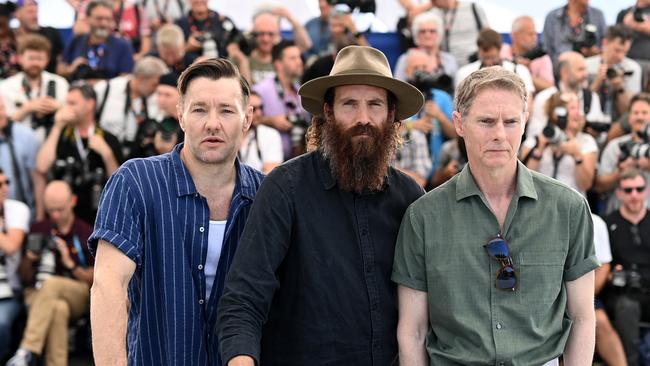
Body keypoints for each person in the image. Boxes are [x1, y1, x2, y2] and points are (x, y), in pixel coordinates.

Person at [217, 45, 425, 366]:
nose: (364, 119)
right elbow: (244, 298)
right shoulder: (285, 187)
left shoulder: (409, 197)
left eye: (375, 105)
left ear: (392, 115)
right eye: (349, 105)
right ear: (327, 113)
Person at [393, 66, 598, 365]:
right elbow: (413, 331)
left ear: (526, 122)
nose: (500, 134)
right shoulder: (423, 217)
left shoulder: (568, 208)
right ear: (459, 123)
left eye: (511, 121)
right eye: (487, 122)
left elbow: (582, 318)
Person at [89, 58, 264, 366]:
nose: (212, 123)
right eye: (199, 109)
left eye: (226, 110)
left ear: (247, 118)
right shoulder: (135, 182)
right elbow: (108, 285)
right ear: (180, 115)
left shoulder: (266, 195)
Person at [6, 181, 93, 366]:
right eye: (50, 210)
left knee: (52, 284)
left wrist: (70, 264)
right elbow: (24, 277)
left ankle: (26, 350)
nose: (55, 215)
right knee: (58, 309)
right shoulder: (39, 229)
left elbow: (96, 278)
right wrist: (29, 258)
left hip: (76, 292)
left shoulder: (86, 232)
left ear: (73, 201)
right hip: (38, 294)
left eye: (60, 209)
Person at [34, 83, 122, 224]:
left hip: (98, 215)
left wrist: (107, 154)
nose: (67, 107)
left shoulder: (108, 138)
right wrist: (57, 126)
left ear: (90, 104)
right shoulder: (61, 134)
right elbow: (41, 167)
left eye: (72, 103)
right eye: (66, 103)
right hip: (65, 217)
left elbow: (119, 182)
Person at [604, 168, 650, 365]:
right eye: (628, 190)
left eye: (639, 189)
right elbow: (602, 265)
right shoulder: (608, 223)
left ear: (646, 191)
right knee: (626, 307)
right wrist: (610, 275)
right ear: (619, 193)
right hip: (621, 292)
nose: (634, 195)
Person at [521, 92, 598, 196]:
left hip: (571, 206)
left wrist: (577, 156)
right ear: (556, 113)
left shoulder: (586, 142)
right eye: (572, 108)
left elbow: (585, 185)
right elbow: (524, 180)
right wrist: (539, 150)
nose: (578, 113)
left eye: (580, 109)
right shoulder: (537, 139)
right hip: (540, 204)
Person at [93, 56, 168, 157]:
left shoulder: (156, 99)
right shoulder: (106, 89)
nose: (156, 90)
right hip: (103, 153)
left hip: (137, 157)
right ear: (141, 78)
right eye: (154, 85)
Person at [1, 34, 68, 142]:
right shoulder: (6, 86)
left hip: (52, 143)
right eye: (31, 58)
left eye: (40, 58)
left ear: (47, 60)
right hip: (17, 144)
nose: (35, 63)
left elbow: (73, 116)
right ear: (20, 58)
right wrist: (27, 109)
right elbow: (2, 124)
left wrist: (59, 107)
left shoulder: (60, 83)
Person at [596, 93, 650, 215]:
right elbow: (599, 186)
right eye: (636, 113)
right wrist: (621, 172)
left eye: (645, 113)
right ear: (629, 117)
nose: (639, 117)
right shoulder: (615, 146)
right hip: (619, 215)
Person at [254, 40, 307, 160]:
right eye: (293, 58)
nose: (299, 62)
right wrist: (271, 121)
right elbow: (245, 120)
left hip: (299, 160)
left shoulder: (300, 90)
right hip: (269, 162)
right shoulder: (261, 90)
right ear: (278, 64)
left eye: (299, 57)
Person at [60, 0, 134, 80]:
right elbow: (60, 69)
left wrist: (102, 85)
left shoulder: (123, 45)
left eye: (108, 19)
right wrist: (71, 68)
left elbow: (126, 78)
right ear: (87, 18)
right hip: (77, 87)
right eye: (99, 19)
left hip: (109, 90)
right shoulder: (77, 40)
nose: (104, 24)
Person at [0, 169, 29, 361]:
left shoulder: (17, 209)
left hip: (8, 292)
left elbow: (11, 246)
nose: (5, 188)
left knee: (0, 323)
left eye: (6, 182)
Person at [586, 25, 642, 123]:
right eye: (617, 50)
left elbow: (632, 111)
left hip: (619, 120)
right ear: (605, 43)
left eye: (625, 52)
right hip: (590, 118)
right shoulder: (586, 66)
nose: (621, 57)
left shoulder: (632, 68)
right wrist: (597, 81)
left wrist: (620, 88)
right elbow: (583, 104)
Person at [393, 11, 457, 87]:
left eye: (432, 31)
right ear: (416, 34)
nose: (427, 35)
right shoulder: (405, 59)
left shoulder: (449, 59)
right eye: (422, 31)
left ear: (439, 34)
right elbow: (398, 87)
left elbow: (456, 89)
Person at [542, 0, 607, 65]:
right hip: (560, 68)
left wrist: (596, 51)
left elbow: (606, 45)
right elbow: (547, 48)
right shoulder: (553, 17)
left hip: (591, 66)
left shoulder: (597, 15)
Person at [501, 15, 555, 92]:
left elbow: (550, 87)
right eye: (530, 34)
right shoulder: (501, 51)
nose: (535, 38)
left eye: (535, 34)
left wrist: (524, 72)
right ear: (515, 35)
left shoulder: (542, 57)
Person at [430, 0, 489, 67]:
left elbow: (488, 35)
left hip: (474, 62)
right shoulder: (434, 12)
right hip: (449, 65)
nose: (431, 2)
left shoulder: (473, 7)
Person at [13, 0, 64, 74]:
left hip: (49, 80)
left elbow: (61, 60)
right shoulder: (10, 36)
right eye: (30, 12)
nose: (35, 16)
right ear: (17, 14)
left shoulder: (51, 33)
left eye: (36, 12)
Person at [238, 91, 282, 173]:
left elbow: (271, 174)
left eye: (261, 108)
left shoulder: (271, 135)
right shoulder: (230, 133)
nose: (259, 113)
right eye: (253, 109)